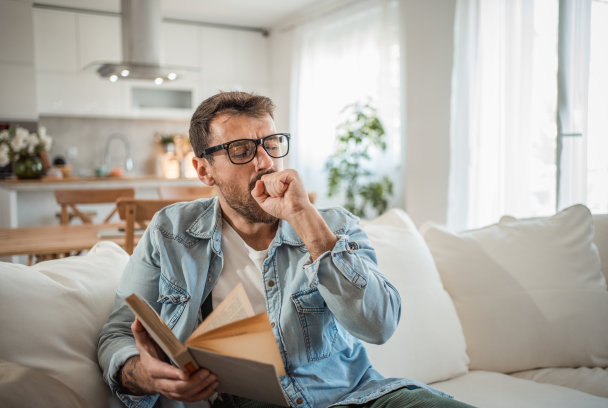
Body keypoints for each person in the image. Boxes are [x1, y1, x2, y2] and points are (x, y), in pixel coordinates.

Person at [97, 91, 475, 408]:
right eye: (241, 150)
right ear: (204, 170)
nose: (264, 163)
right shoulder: (170, 233)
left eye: (271, 144)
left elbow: (379, 326)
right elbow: (117, 333)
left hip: (353, 397)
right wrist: (142, 374)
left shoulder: (333, 226)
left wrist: (305, 219)